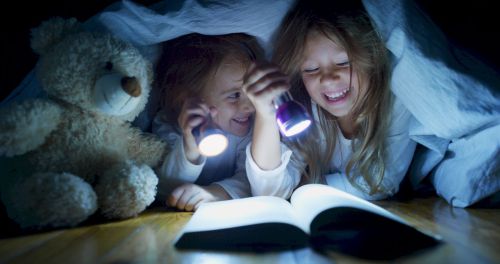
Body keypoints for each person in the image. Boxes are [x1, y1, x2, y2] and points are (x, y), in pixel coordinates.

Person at [243, 0, 417, 200]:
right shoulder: (303, 109)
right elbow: (268, 192)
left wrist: (307, 187)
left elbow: (383, 181)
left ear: (370, 60)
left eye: (343, 63)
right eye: (311, 69)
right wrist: (265, 115)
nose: (327, 78)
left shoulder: (394, 100)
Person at [153, 33, 265, 211]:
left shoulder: (249, 128)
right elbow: (166, 189)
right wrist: (191, 147)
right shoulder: (168, 124)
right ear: (187, 99)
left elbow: (251, 180)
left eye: (250, 92)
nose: (249, 106)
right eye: (234, 95)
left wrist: (215, 193)